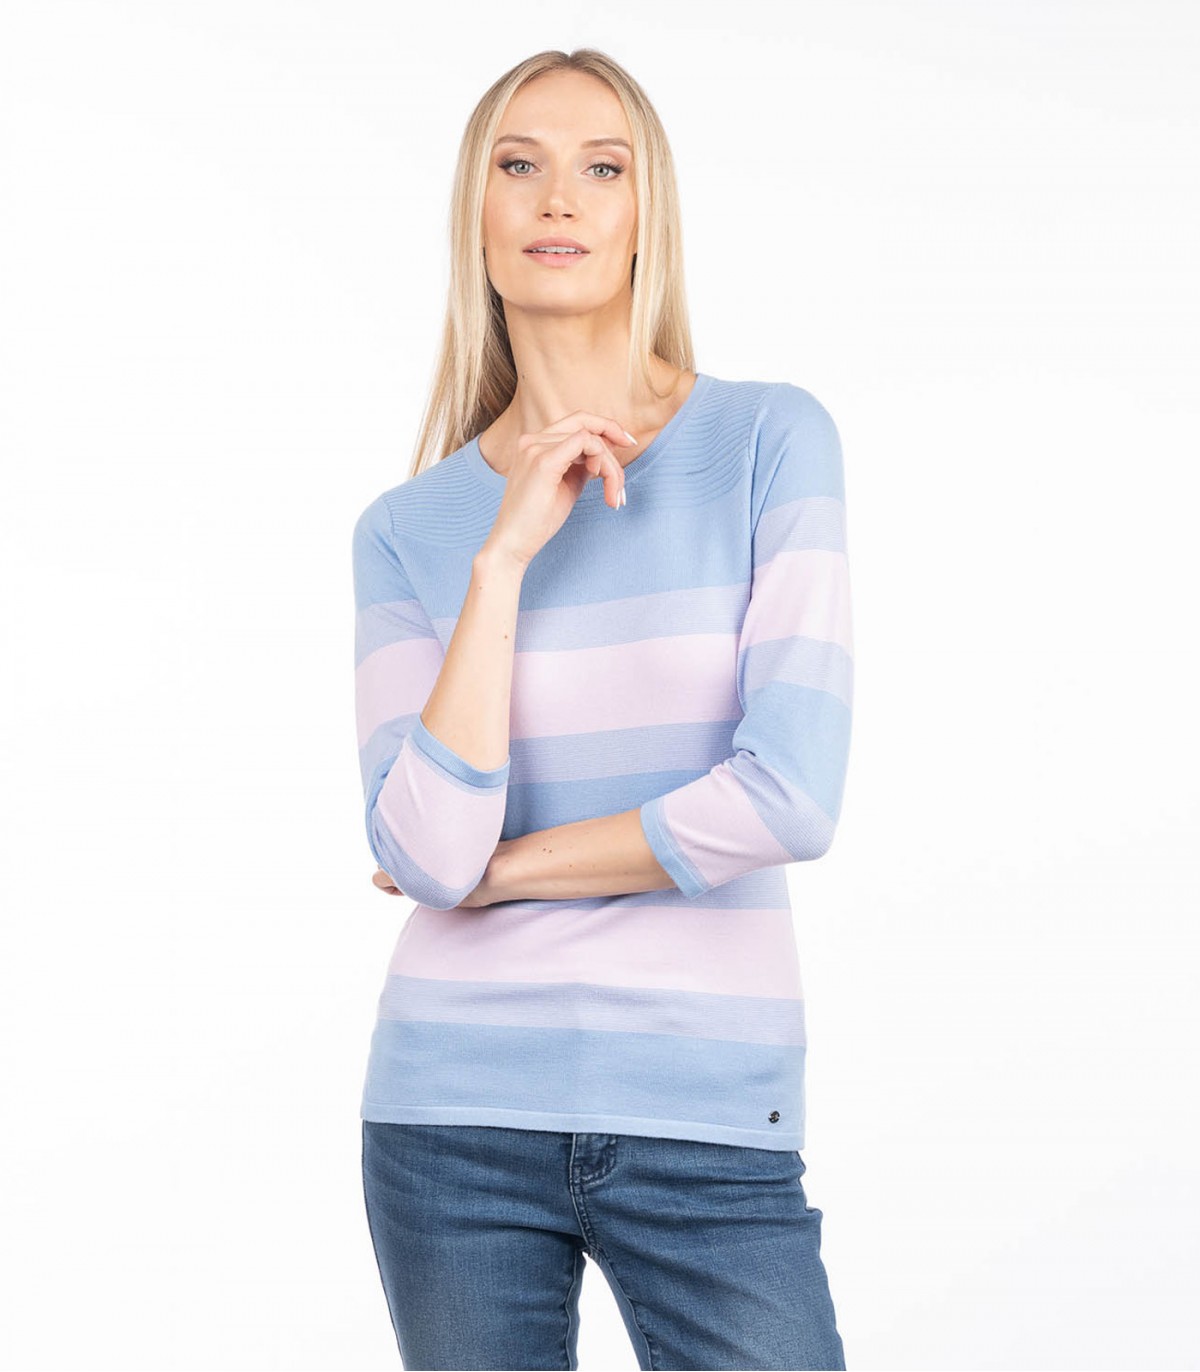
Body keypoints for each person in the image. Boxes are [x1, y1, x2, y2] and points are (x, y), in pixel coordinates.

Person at [352, 47, 853, 1372]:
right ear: (477, 214)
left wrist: (506, 874)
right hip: (450, 1117)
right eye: (518, 164)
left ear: (647, 216)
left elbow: (789, 796)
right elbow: (425, 855)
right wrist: (504, 559)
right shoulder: (409, 530)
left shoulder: (768, 442)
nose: (557, 198)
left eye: (602, 167)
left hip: (708, 1114)